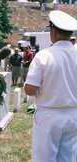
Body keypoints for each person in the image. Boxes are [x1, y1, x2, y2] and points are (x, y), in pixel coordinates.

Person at [24, 10, 77, 162]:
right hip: (73, 114)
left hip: (49, 114)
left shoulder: (44, 55)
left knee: (44, 158)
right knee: (68, 158)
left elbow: (30, 89)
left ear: (53, 32)